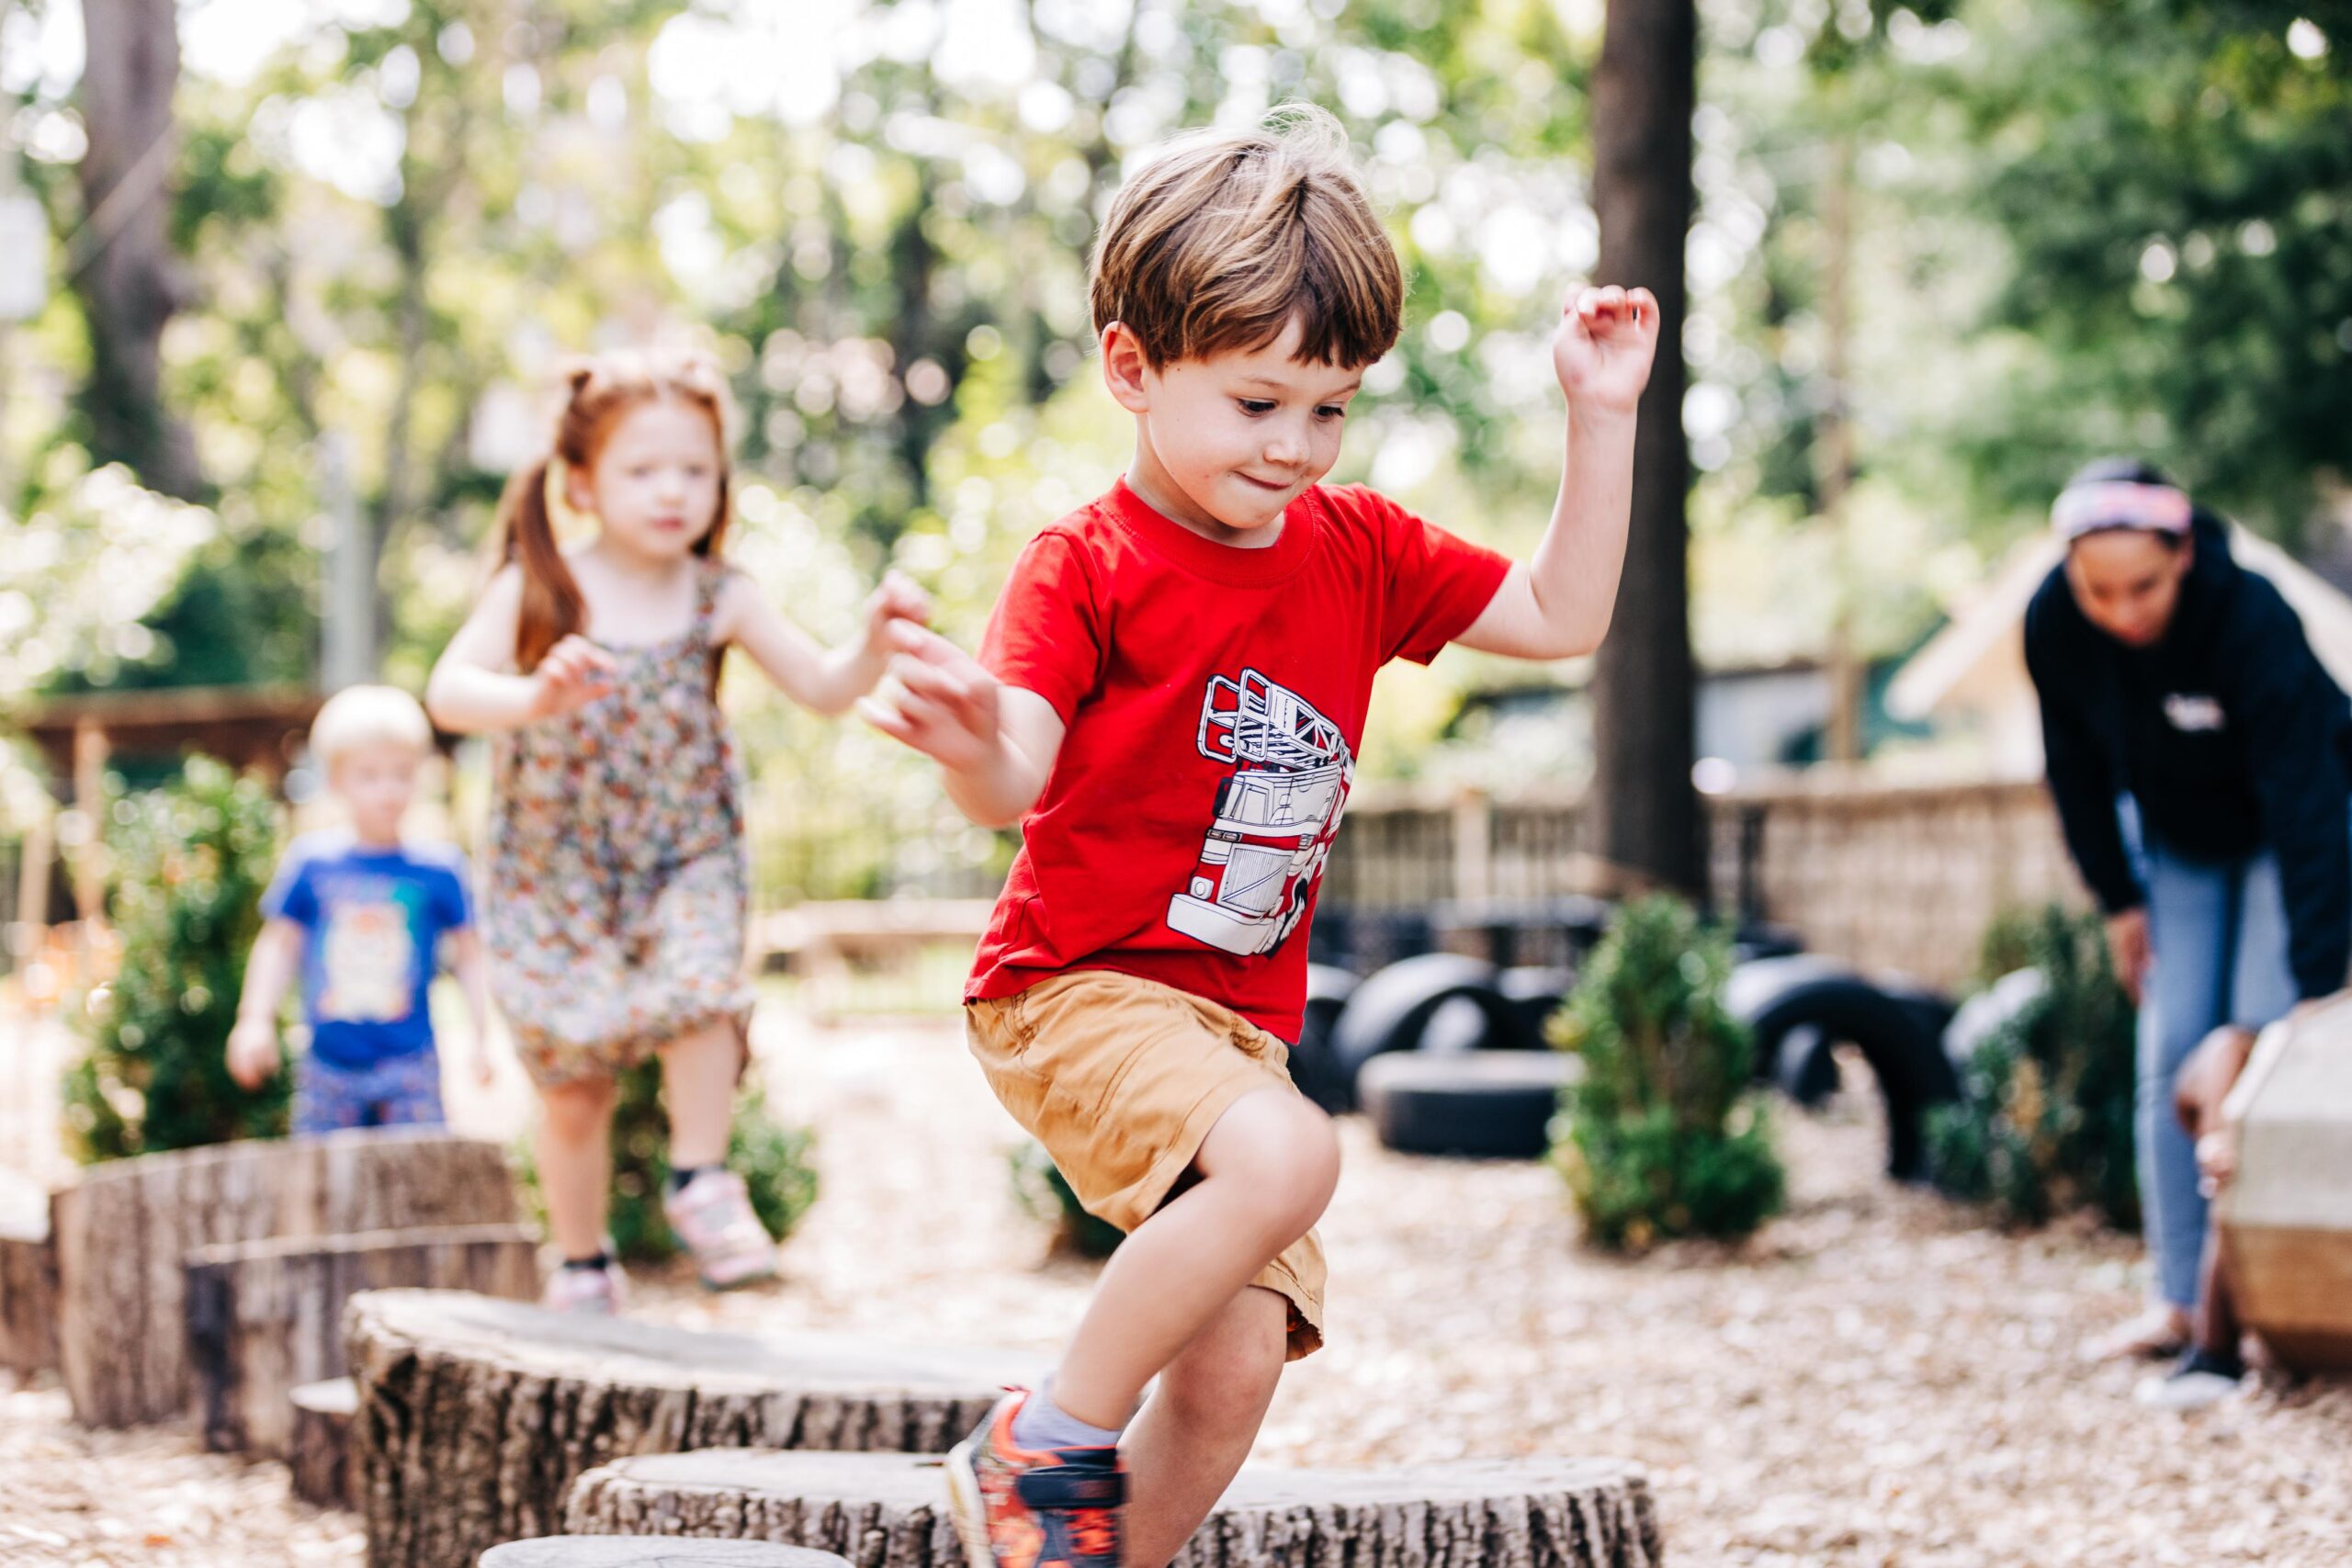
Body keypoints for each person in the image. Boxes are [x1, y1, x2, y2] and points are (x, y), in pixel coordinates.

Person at [862, 107, 1657, 1568]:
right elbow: (1009, 780)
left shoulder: (1359, 552)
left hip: (1231, 1031)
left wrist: (1598, 416)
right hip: (1077, 987)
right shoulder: (1085, 565)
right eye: (1256, 402)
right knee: (1294, 1158)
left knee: (1230, 1374)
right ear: (1132, 368)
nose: (1296, 444)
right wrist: (976, 736)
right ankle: (1039, 1439)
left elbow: (1560, 615)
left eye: (1331, 406)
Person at [426, 346, 927, 1313]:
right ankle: (580, 1264)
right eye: (643, 471)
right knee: (574, 1087)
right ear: (581, 483)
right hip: (555, 870)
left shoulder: (719, 594)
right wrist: (534, 695)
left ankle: (701, 1178)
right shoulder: (543, 585)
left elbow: (823, 689)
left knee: (705, 988)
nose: (673, 492)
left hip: (683, 851)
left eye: (694, 470)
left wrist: (871, 643)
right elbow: (449, 692)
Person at [2023, 457, 2352, 1363]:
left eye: (2143, 588)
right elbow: (2075, 771)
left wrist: (2317, 985)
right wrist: (2118, 902)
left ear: (2182, 557)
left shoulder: (2248, 617)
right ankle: (2175, 1300)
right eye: (2100, 591)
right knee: (2170, 1050)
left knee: (2249, 1049)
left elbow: (2309, 803)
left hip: (2291, 833)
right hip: (2176, 843)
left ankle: (2247, 1306)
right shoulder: (2055, 623)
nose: (2123, 613)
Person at [229, 684, 492, 1132]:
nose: (387, 790)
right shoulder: (310, 865)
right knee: (324, 1187)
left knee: (418, 1184)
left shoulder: (440, 870)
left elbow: (470, 957)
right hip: (327, 1067)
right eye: (369, 775)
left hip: (412, 1066)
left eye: (402, 773)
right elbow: (278, 945)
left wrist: (482, 1037)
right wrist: (254, 1020)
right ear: (336, 781)